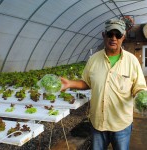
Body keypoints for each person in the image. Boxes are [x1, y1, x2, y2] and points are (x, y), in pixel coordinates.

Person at [60, 18, 147, 150]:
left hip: (121, 125)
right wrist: (69, 83)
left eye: (117, 35)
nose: (113, 38)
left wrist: (142, 97)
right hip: (98, 125)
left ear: (123, 37)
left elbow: (139, 88)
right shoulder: (93, 60)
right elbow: (86, 83)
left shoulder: (131, 61)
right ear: (103, 35)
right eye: (110, 34)